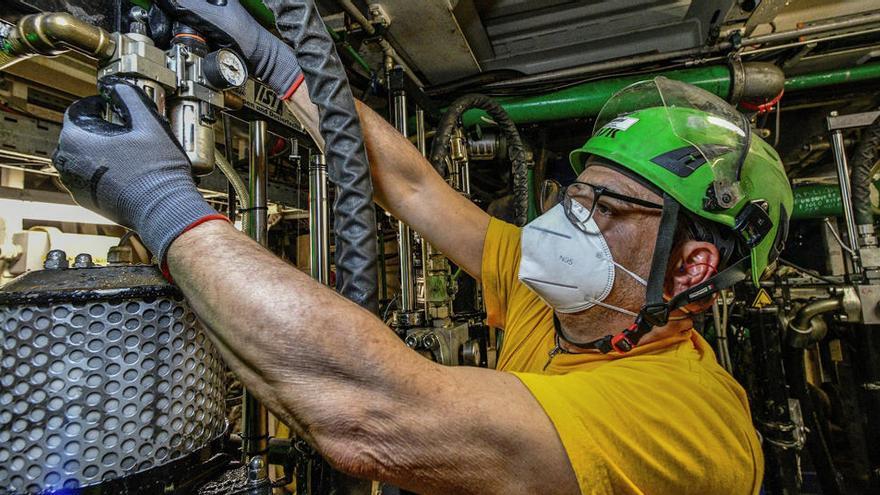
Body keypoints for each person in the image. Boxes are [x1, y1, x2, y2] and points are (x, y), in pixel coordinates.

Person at [52, 1, 793, 493]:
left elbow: (372, 412)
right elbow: (411, 186)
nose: (569, 215)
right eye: (577, 191)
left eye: (604, 204)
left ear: (691, 265)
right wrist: (284, 69)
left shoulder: (689, 422)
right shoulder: (564, 300)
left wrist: (161, 203)